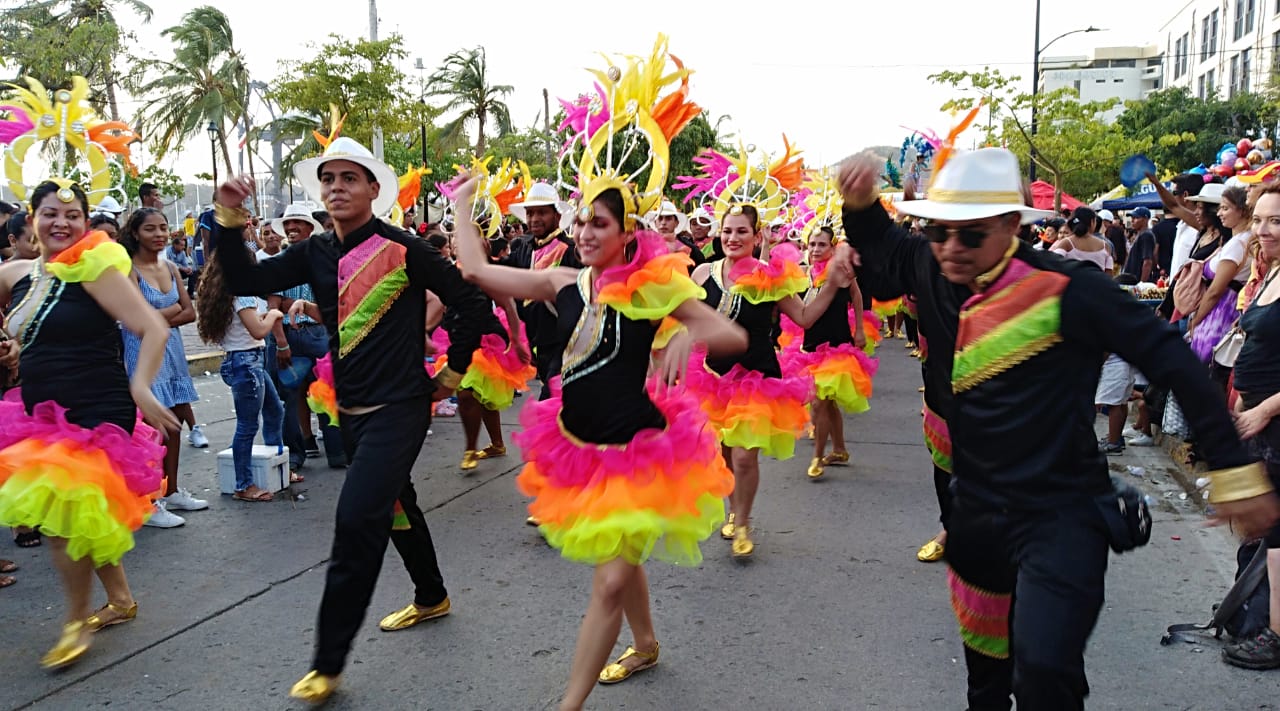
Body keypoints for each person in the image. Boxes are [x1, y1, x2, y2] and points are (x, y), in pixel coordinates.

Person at [837, 146, 1279, 710]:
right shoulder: (932, 261)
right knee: (987, 683)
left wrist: (1235, 471)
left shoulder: (1068, 289)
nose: (950, 248)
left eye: (969, 235)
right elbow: (883, 244)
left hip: (1063, 512)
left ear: (1008, 226)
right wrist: (859, 202)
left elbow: (1171, 361)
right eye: (939, 231)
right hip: (977, 514)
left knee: (1044, 673)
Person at [209, 136, 491, 704]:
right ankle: (432, 594)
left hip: (402, 408)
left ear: (372, 189)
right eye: (329, 179)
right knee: (394, 504)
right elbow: (245, 279)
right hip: (352, 410)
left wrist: (454, 374)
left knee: (357, 518)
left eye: (349, 178)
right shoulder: (313, 253)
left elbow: (471, 303)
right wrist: (226, 216)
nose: (336, 188)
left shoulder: (404, 247)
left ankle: (328, 662)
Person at [452, 179, 746, 711]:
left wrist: (685, 332)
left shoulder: (654, 289)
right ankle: (646, 644)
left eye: (600, 223)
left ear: (627, 232)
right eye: (582, 221)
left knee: (609, 582)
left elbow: (733, 337)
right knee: (619, 559)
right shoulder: (562, 283)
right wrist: (462, 204)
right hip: (578, 450)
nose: (585, 232)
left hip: (641, 456)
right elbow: (475, 270)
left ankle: (569, 704)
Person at [0, 180, 178, 668]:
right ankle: (120, 600)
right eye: (51, 213)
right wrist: (11, 346)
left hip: (95, 409)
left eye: (73, 214)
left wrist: (142, 388)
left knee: (62, 520)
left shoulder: (95, 270)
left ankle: (75, 621)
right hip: (37, 409)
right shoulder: (15, 274)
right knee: (82, 515)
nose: (62, 223)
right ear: (31, 219)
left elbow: (153, 327)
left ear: (85, 221)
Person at [685, 203, 853, 557]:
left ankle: (743, 522)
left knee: (746, 456)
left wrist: (833, 285)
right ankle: (733, 509)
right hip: (713, 378)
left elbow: (805, 317)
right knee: (724, 452)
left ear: (756, 236)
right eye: (727, 231)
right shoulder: (702, 274)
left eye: (742, 231)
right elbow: (684, 319)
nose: (733, 238)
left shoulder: (770, 276)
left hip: (757, 377)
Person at [119, 208, 207, 528]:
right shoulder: (128, 270)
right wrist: (166, 315)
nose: (158, 234)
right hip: (142, 355)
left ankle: (171, 490)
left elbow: (191, 313)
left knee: (173, 426)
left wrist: (155, 318)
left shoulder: (170, 266)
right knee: (151, 431)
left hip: (173, 352)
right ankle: (150, 500)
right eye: (150, 229)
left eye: (163, 228)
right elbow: (135, 321)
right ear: (135, 234)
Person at [1224, 182, 1280, 669]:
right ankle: (1252, 616)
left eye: (1276, 221)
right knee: (1259, 528)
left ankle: (1274, 634)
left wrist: (1265, 409)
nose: (1264, 230)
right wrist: (1243, 401)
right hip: (1258, 421)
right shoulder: (1269, 273)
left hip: (1274, 421)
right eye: (1259, 219)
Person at [781, 225, 872, 480]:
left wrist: (860, 330)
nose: (816, 249)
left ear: (833, 248)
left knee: (820, 403)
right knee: (828, 404)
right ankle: (840, 449)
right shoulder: (802, 274)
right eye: (812, 244)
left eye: (822, 245)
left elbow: (857, 297)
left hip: (837, 347)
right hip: (809, 347)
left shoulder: (841, 273)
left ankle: (817, 456)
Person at [195, 248, 285, 502]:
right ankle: (243, 484)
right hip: (247, 362)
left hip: (241, 360)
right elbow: (257, 331)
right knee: (247, 425)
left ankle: (276, 466)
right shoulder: (242, 294)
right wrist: (274, 315)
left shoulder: (223, 295)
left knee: (274, 410)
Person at [268, 203, 343, 473]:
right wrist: (281, 342)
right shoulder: (281, 262)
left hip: (319, 334)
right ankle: (300, 449)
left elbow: (332, 307)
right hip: (291, 336)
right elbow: (273, 306)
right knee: (290, 395)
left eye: (297, 222)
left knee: (327, 390)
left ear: (311, 227)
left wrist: (293, 302)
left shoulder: (326, 259)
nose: (291, 228)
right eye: (288, 224)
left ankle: (336, 450)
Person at [506, 182, 581, 400]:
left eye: (542, 212)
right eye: (530, 213)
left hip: (564, 343)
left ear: (557, 215)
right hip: (537, 342)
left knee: (550, 400)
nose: (534, 219)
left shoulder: (570, 250)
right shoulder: (522, 247)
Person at [1186, 186, 1252, 372]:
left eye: (1225, 208)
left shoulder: (1238, 244)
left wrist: (1196, 320)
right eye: (1220, 208)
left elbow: (1215, 291)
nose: (1220, 213)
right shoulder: (1241, 240)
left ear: (1242, 210)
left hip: (1219, 316)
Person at [1051, 206, 1114, 272]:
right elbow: (1109, 274)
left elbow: (1053, 263)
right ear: (1092, 222)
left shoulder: (1066, 243)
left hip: (1072, 281)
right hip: (1098, 282)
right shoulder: (1105, 246)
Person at [1121, 207, 1156, 282]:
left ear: (1145, 219)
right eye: (1132, 218)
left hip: (1136, 281)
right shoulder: (1141, 234)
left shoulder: (1146, 235)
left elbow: (1147, 261)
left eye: (1136, 218)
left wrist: (1141, 284)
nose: (1132, 221)